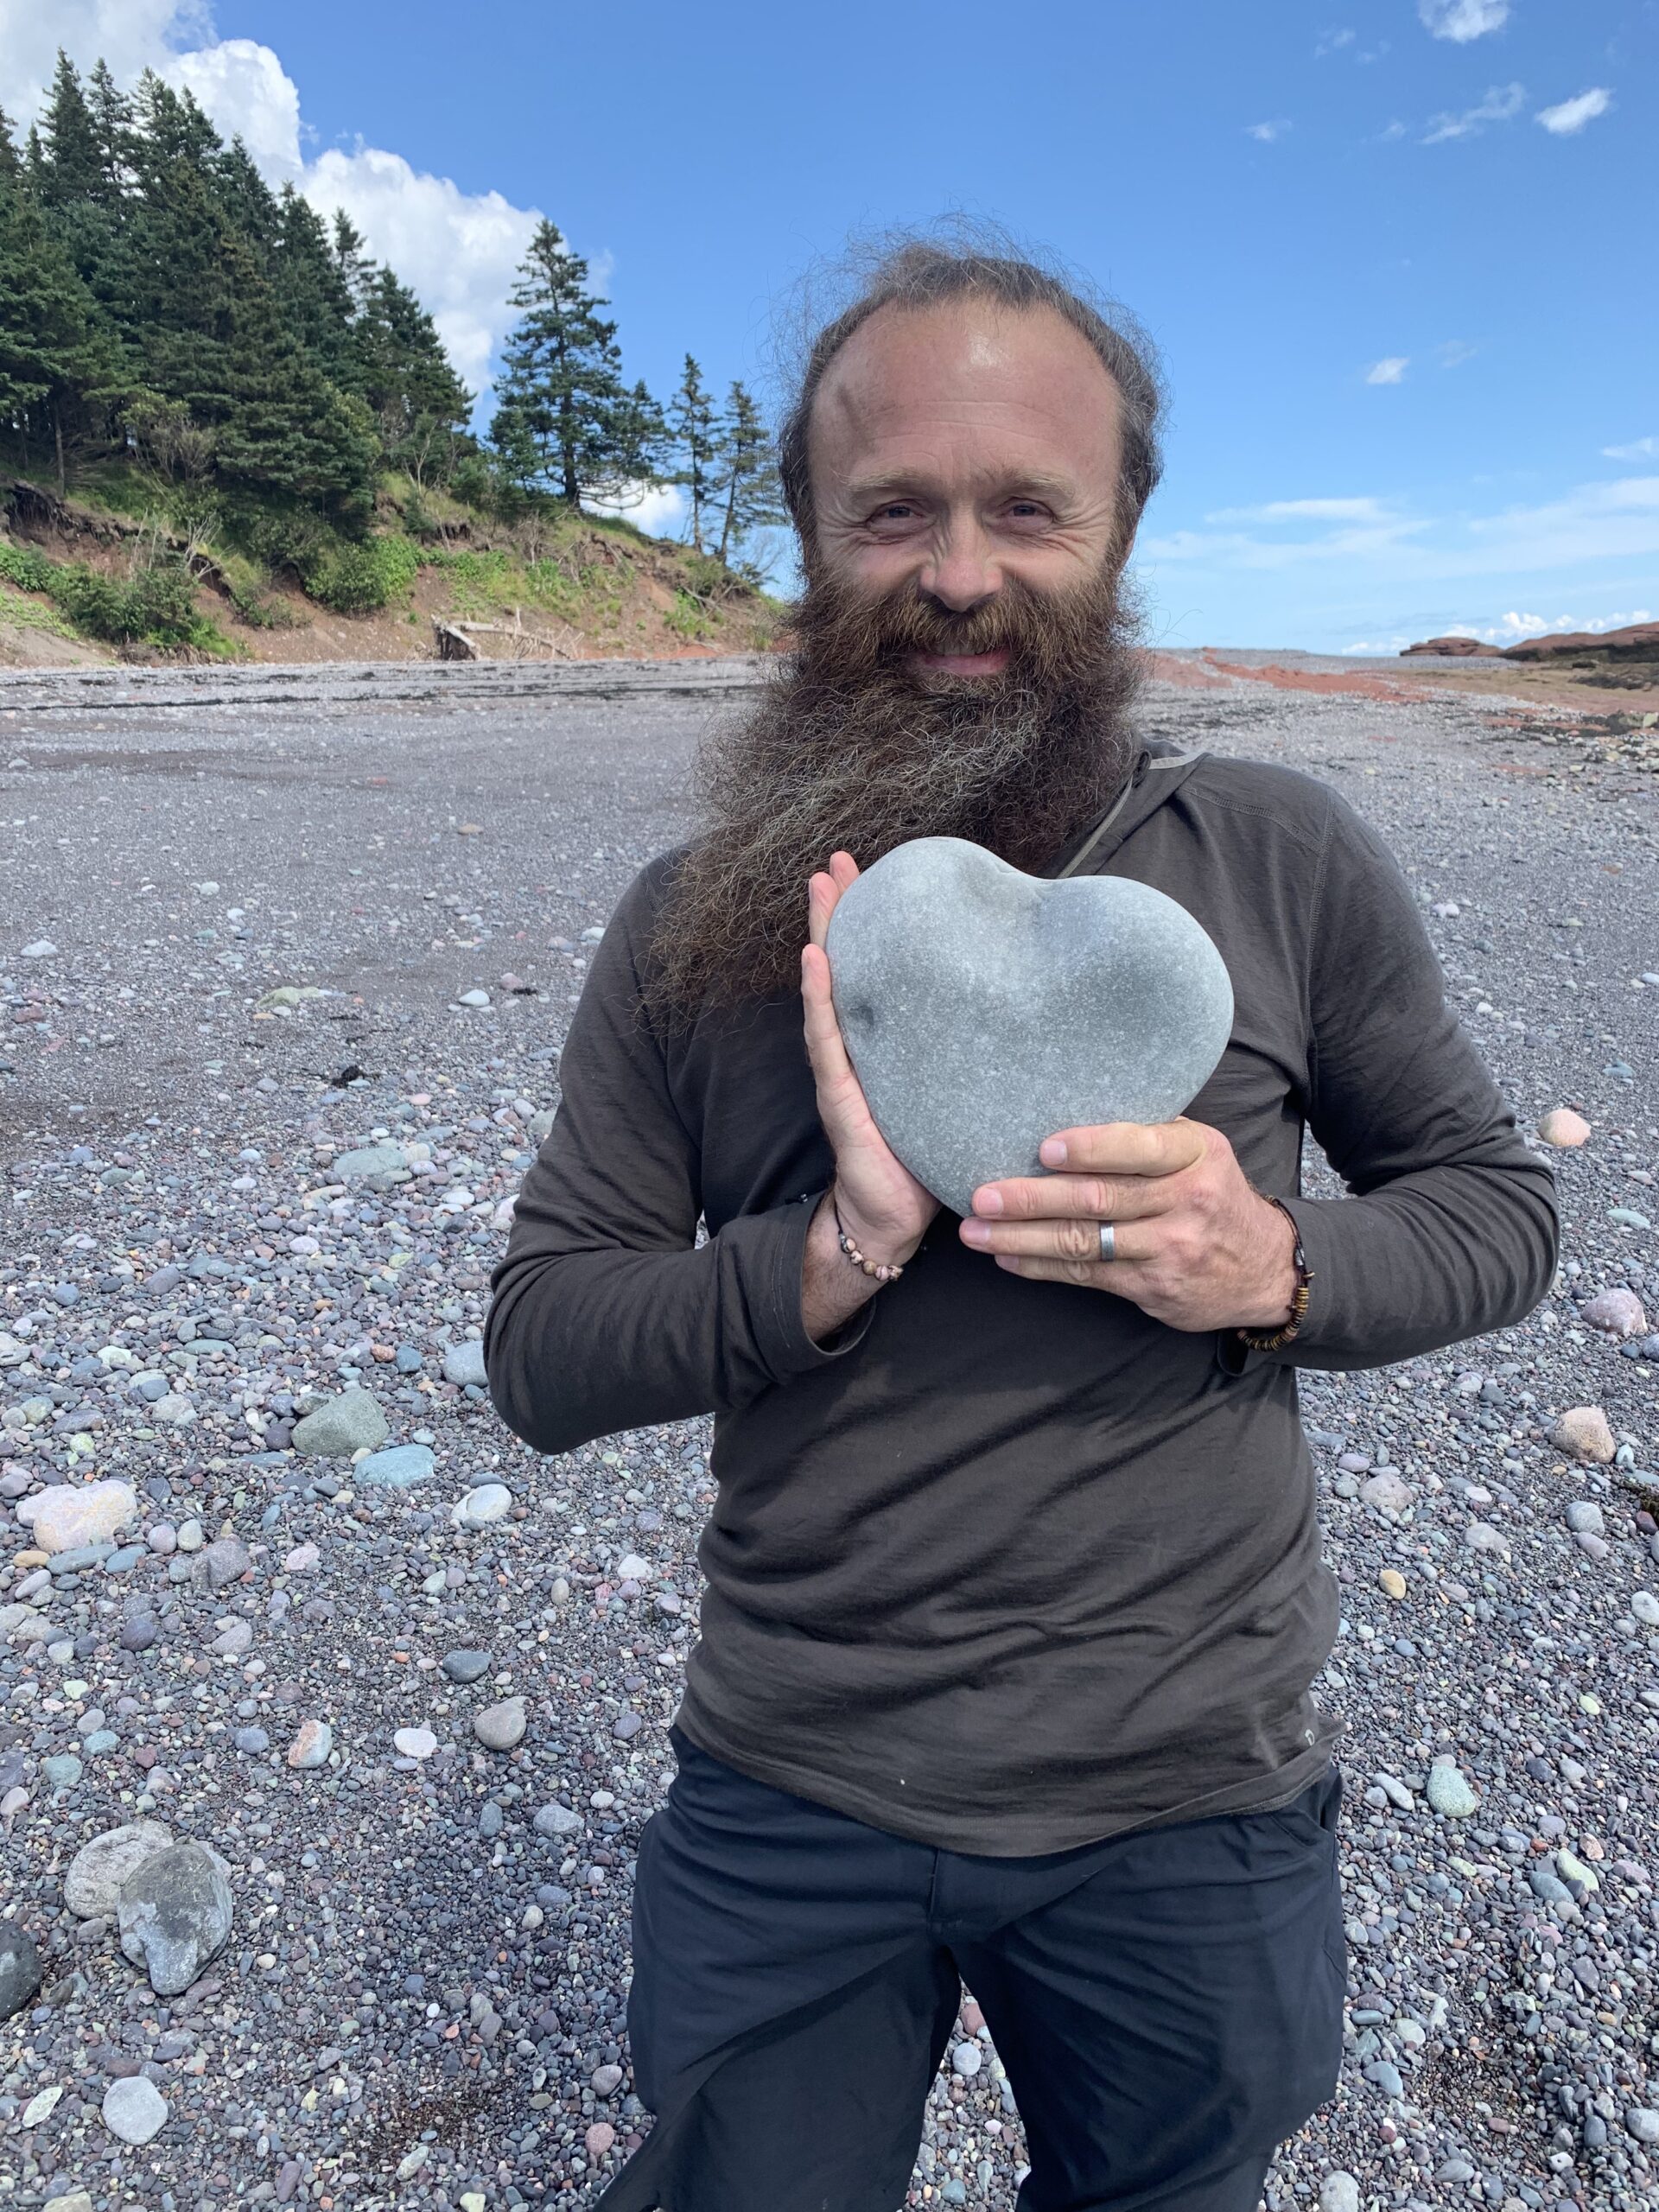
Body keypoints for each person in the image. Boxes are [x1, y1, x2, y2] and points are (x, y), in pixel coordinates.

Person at [485, 227, 1558, 2212]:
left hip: (1189, 1791)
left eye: (1025, 509)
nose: (959, 572)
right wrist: (831, 1252)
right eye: (892, 507)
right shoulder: (693, 919)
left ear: (1122, 526)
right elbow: (539, 1351)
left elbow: (1498, 1209)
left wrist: (1279, 1264)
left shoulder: (1277, 856)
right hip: (793, 1779)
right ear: (806, 526)